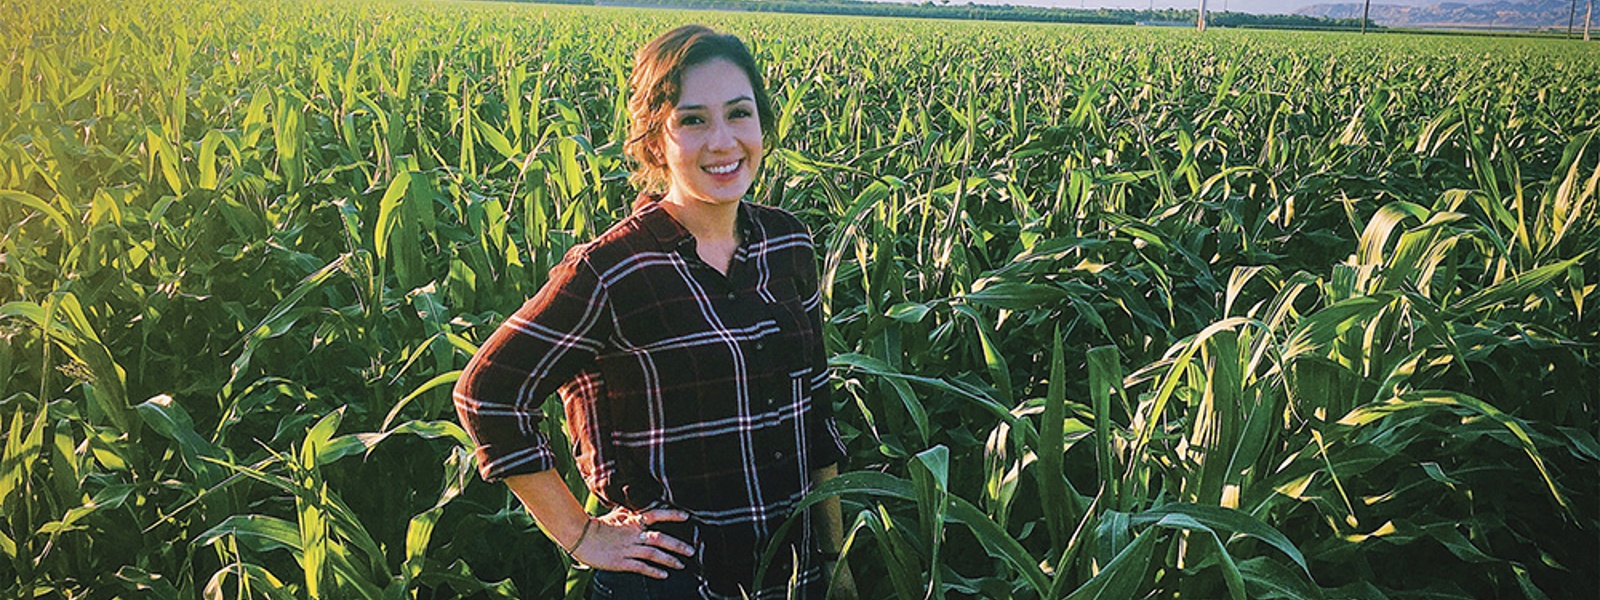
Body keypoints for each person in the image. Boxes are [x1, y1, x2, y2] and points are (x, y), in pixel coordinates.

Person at [453, 25, 857, 600]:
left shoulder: (787, 243)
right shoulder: (613, 270)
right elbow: (487, 393)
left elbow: (815, 409)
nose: (723, 141)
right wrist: (582, 535)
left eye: (739, 113)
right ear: (654, 139)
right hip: (673, 580)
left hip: (794, 575)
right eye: (692, 120)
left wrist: (834, 559)